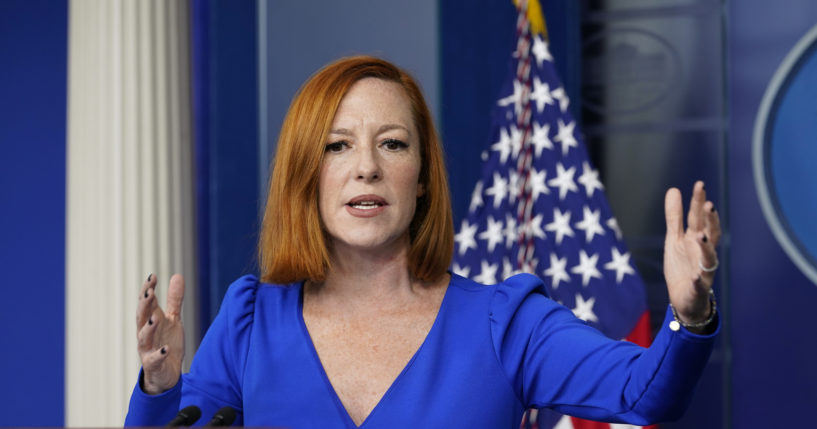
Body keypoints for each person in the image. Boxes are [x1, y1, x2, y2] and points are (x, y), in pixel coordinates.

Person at [125, 56, 720, 428]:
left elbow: (644, 395)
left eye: (392, 143)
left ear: (424, 179)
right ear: (306, 174)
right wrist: (159, 382)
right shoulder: (249, 320)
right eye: (337, 146)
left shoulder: (506, 322)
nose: (366, 168)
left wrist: (690, 318)